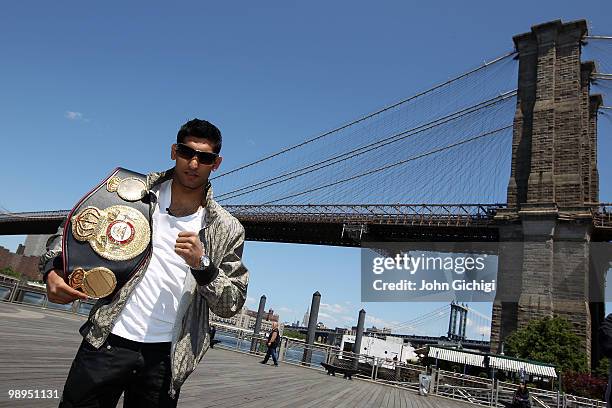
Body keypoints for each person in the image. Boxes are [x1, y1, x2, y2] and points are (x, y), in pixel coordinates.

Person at [40, 118, 249, 407]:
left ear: (217, 163)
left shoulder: (227, 229)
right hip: (107, 341)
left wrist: (203, 265)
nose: (193, 163)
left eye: (205, 157)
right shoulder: (130, 192)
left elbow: (231, 303)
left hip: (165, 359)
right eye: (187, 153)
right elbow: (69, 230)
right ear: (174, 151)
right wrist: (51, 271)